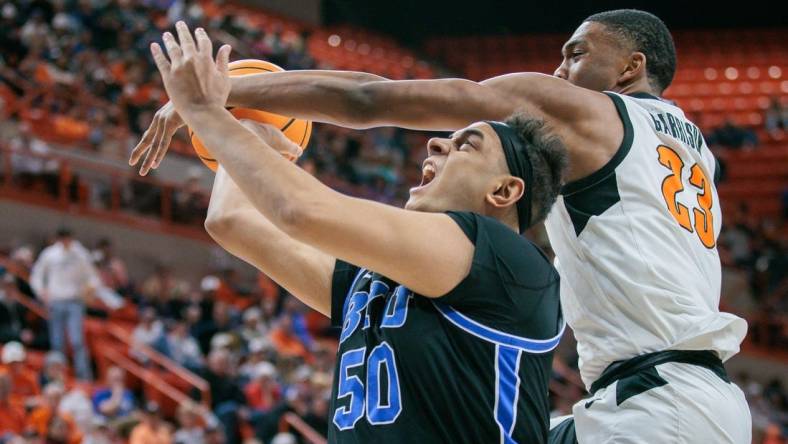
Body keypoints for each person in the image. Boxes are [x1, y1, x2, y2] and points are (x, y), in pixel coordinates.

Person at [132, 10, 752, 443]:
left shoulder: (584, 119)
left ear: (629, 68)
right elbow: (238, 220)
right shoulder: (690, 151)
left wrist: (222, 97)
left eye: (577, 53)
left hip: (655, 404)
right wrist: (245, 132)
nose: (559, 71)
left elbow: (369, 100)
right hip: (656, 397)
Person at [143, 23, 565, 443]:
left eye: (466, 145)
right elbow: (231, 220)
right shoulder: (376, 281)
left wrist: (205, 110)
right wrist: (252, 124)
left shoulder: (507, 261)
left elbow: (301, 210)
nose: (436, 144)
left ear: (505, 190)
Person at [30, 227, 98, 380]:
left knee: (76, 340)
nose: (65, 241)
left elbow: (93, 277)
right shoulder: (50, 254)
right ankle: (58, 376)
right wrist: (41, 292)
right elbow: (37, 275)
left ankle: (84, 376)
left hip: (75, 301)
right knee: (57, 342)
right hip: (56, 301)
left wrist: (90, 290)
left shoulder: (80, 254)